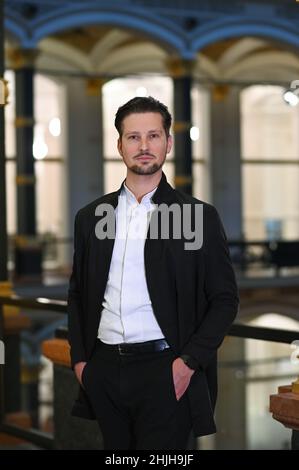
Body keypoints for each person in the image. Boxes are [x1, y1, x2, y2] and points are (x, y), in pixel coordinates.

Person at [67, 96, 239, 450]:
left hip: (166, 370)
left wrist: (188, 363)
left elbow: (224, 300)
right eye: (133, 137)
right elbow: (78, 294)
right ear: (119, 145)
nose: (144, 146)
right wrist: (82, 362)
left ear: (168, 143)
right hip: (103, 369)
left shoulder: (198, 217)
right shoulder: (91, 217)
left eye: (153, 136)